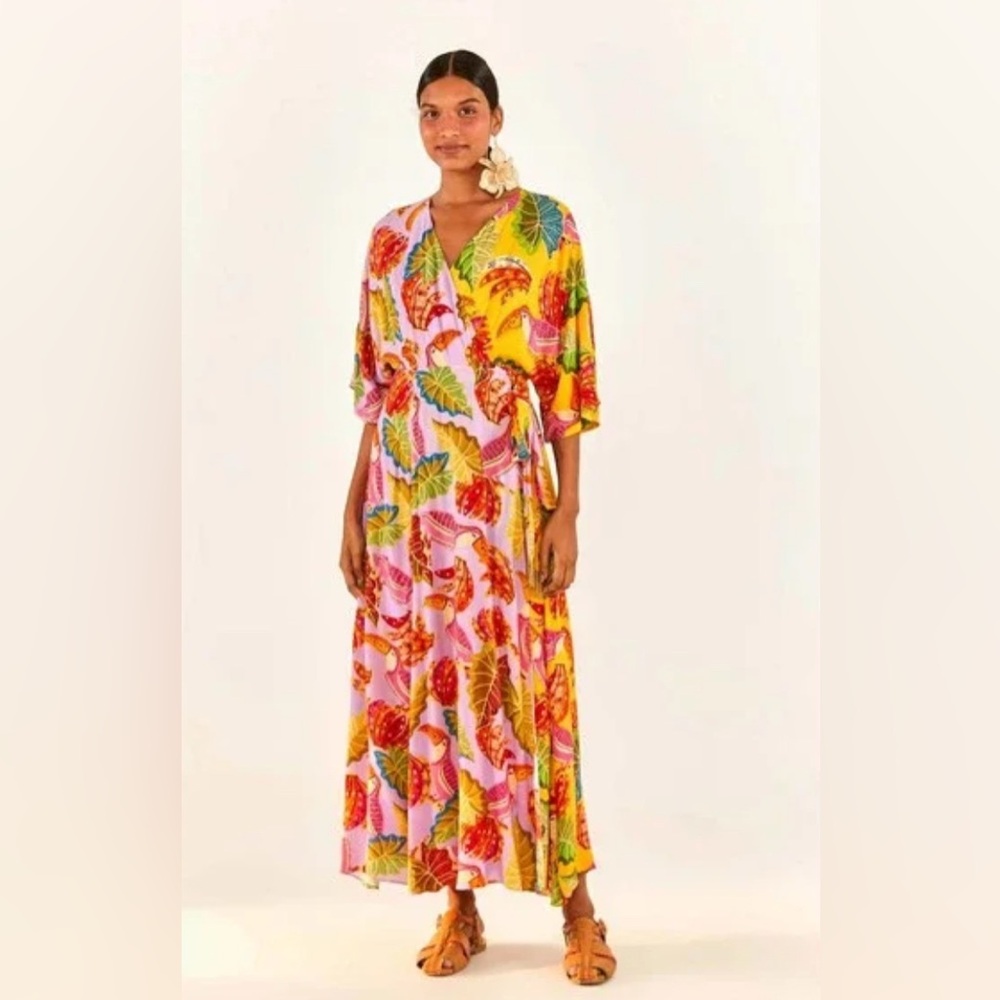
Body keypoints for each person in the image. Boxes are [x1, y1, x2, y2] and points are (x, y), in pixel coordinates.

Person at [338, 49, 616, 986]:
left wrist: (567, 509)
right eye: (431, 112)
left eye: (465, 110)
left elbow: (569, 381)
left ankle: (577, 905)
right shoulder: (390, 238)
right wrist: (353, 506)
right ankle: (458, 905)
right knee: (432, 688)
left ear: (496, 118)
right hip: (406, 505)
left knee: (528, 688)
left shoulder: (546, 227)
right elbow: (378, 386)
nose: (448, 128)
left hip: (504, 498)